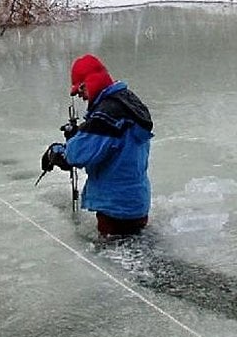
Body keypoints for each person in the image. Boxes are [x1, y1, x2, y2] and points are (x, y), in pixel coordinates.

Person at [42, 54, 154, 237]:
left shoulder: (105, 115)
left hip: (114, 208)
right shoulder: (128, 102)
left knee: (114, 253)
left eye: (81, 91)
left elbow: (76, 156)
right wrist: (82, 131)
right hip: (137, 202)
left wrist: (55, 151)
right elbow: (113, 141)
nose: (82, 97)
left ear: (89, 83)